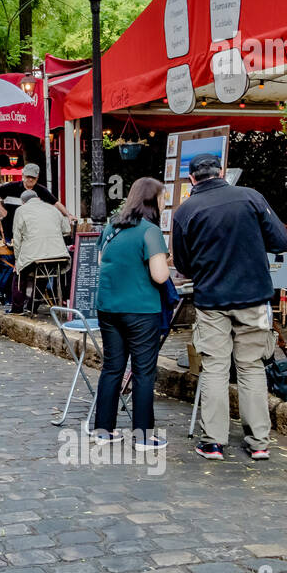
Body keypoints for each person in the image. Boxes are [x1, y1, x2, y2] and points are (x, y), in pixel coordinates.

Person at [171, 152, 287, 461]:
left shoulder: (186, 211)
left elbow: (182, 265)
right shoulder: (251, 197)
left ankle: (213, 442)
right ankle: (259, 442)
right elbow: (279, 240)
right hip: (253, 296)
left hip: (212, 299)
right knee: (252, 366)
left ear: (192, 179)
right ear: (222, 171)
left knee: (215, 367)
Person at [92, 179, 171, 450]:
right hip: (141, 309)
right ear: (151, 201)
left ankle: (103, 430)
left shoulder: (112, 226)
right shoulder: (150, 232)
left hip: (108, 308)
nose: (164, 203)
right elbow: (160, 276)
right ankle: (143, 436)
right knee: (143, 372)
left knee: (112, 367)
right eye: (162, 198)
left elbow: (103, 261)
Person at [9, 189, 71, 315]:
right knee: (44, 272)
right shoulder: (53, 209)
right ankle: (33, 307)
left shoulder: (21, 210)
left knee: (20, 273)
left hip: (34, 255)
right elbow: (67, 229)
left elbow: (17, 238)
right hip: (60, 256)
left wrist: (17, 260)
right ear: (38, 198)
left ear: (23, 202)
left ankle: (17, 309)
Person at [0, 164, 72, 242]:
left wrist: (68, 215)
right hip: (10, 228)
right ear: (23, 175)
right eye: (28, 176)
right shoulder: (11, 187)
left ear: (37, 177)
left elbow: (56, 203)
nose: (30, 180)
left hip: (31, 233)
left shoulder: (41, 190)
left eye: (33, 177)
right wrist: (1, 209)